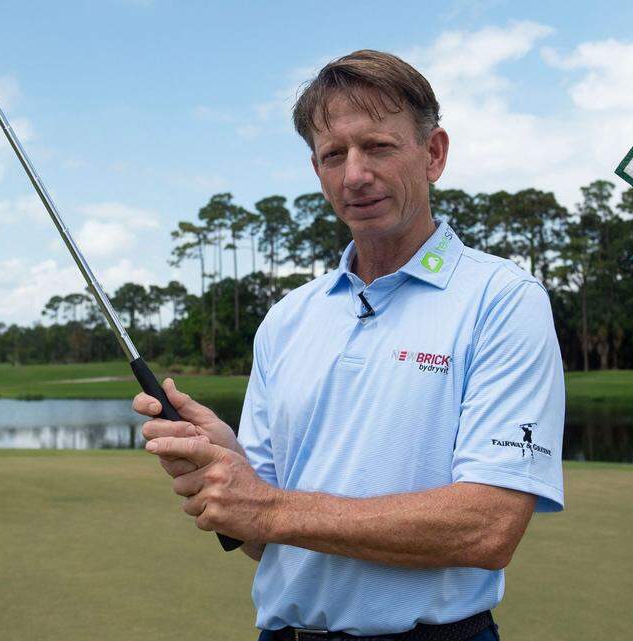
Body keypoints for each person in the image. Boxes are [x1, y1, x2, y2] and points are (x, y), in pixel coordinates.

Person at [135, 49, 565, 641]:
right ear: (317, 170)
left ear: (434, 153)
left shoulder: (501, 298)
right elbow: (263, 540)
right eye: (333, 155)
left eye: (378, 147)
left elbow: (487, 529)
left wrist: (265, 507)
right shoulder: (287, 319)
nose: (354, 174)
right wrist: (226, 466)